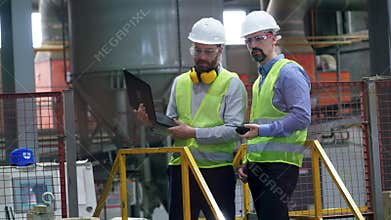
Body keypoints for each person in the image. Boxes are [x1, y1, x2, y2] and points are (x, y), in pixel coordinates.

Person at [135, 17, 247, 220]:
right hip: (181, 169)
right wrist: (151, 122)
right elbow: (171, 126)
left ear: (220, 50)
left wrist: (193, 133)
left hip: (216, 172)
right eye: (198, 50)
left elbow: (234, 131)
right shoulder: (180, 83)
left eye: (208, 51)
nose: (202, 56)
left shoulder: (232, 84)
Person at [236, 11, 311, 220]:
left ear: (274, 38)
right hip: (259, 166)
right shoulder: (260, 80)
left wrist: (264, 130)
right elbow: (261, 125)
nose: (253, 45)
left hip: (280, 165)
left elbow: (302, 117)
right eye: (249, 40)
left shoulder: (289, 72)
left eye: (259, 38)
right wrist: (248, 164)